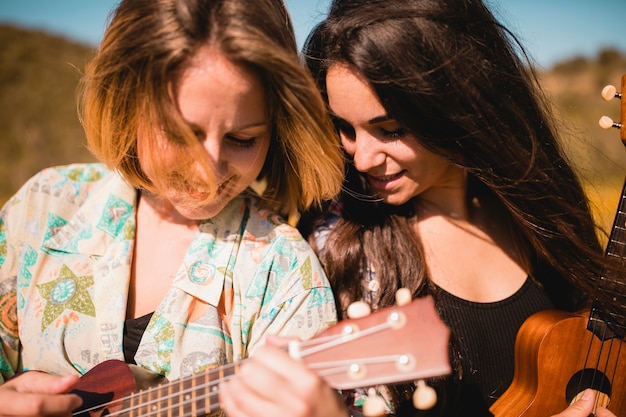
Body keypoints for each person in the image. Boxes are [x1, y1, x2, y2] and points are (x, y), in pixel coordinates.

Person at [218, 0, 621, 416]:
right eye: (345, 127)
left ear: (456, 105)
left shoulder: (541, 212)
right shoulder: (336, 243)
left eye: (390, 129)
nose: (362, 159)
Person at [0, 0, 345, 415]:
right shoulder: (43, 206)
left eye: (243, 139)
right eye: (182, 134)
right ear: (126, 106)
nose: (208, 171)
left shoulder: (285, 274)